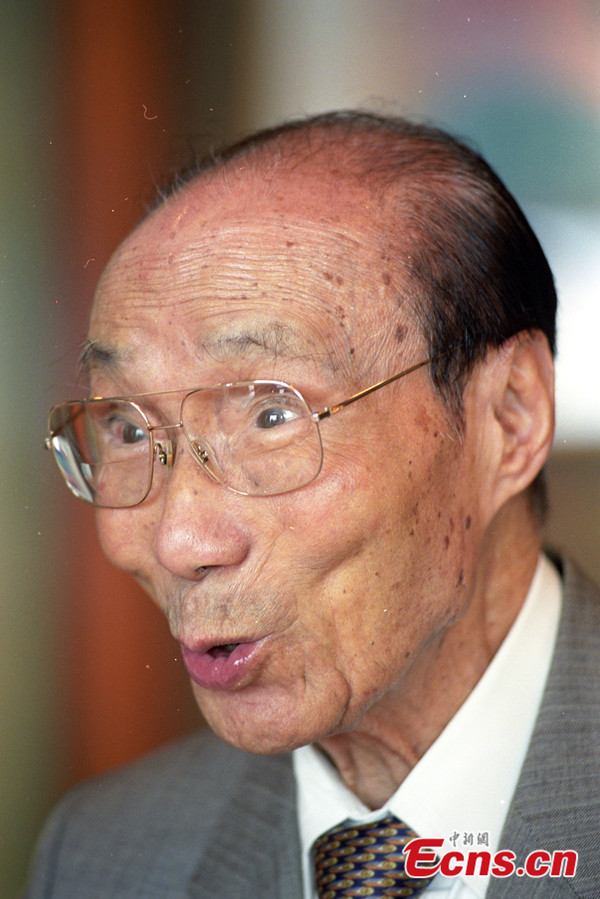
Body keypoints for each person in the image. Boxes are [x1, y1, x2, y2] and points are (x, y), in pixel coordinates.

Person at [26, 112, 599, 897]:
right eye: (125, 428)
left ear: (510, 417)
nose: (177, 539)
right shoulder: (102, 853)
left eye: (271, 415)